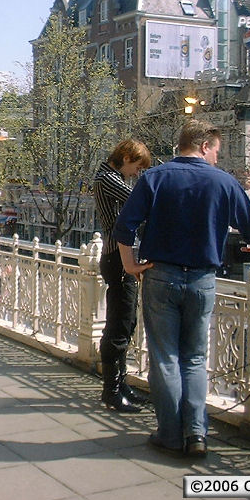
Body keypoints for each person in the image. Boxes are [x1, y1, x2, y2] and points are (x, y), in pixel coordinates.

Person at [113, 119, 250, 457]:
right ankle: (196, 433)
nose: (216, 159)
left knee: (165, 357)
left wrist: (129, 264)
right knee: (195, 358)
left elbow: (125, 226)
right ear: (205, 145)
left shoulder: (155, 177)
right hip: (202, 280)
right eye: (216, 152)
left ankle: (169, 434)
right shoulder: (223, 182)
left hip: (160, 276)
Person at [93, 139, 151, 413]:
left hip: (118, 257)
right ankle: (112, 391)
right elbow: (139, 201)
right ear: (126, 157)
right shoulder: (107, 178)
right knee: (119, 325)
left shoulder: (110, 177)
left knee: (126, 323)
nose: (136, 174)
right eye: (137, 167)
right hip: (117, 258)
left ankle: (120, 384)